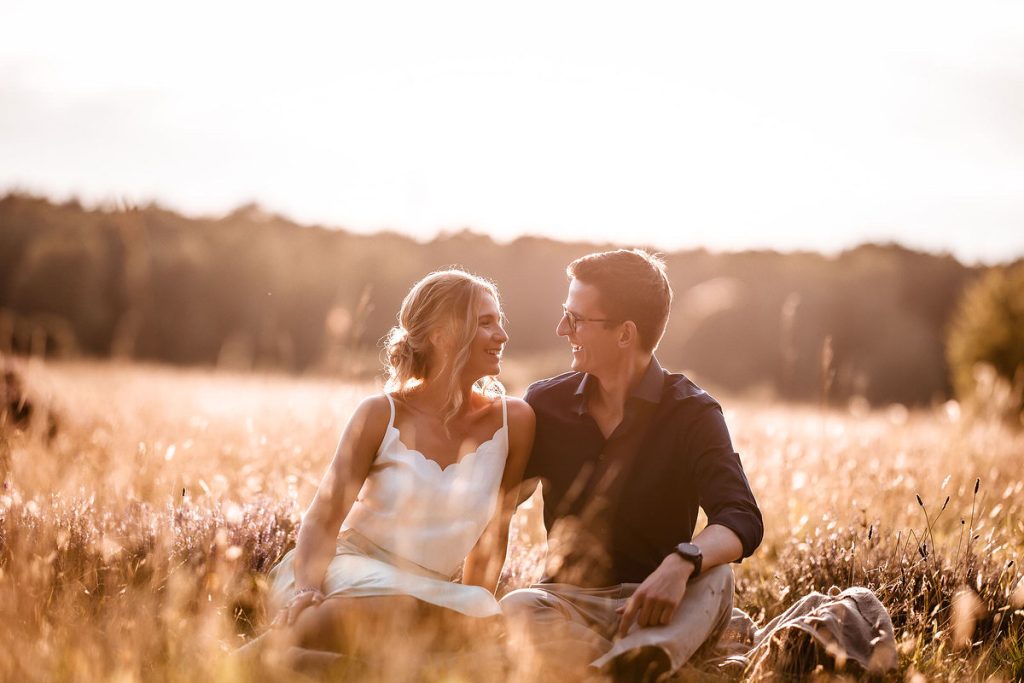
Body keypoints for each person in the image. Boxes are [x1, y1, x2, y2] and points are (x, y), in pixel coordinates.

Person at [247, 269, 534, 675]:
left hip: (434, 592)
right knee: (393, 608)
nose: (502, 334)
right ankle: (250, 660)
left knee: (485, 617)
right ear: (441, 333)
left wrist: (470, 610)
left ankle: (316, 664)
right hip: (348, 570)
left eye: (499, 321)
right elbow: (323, 516)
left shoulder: (515, 420)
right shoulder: (379, 414)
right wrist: (309, 588)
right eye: (486, 322)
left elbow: (493, 535)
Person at [501, 249, 763, 681]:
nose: (562, 329)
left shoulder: (693, 412)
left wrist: (681, 564)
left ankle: (635, 658)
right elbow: (500, 500)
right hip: (568, 600)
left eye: (577, 319)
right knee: (517, 607)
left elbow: (741, 516)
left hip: (661, 602)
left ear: (625, 334)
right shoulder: (545, 404)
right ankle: (638, 667)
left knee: (717, 578)